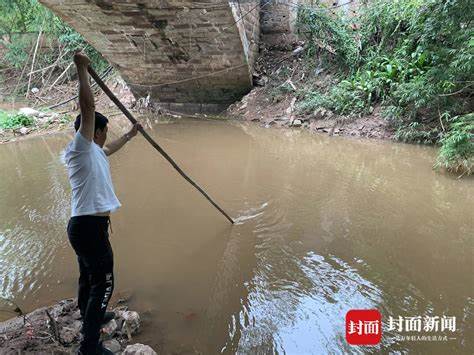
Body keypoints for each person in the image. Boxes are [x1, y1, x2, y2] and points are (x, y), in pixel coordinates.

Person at [64, 52, 141, 355]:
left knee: (88, 276)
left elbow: (110, 148)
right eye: (104, 130)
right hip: (88, 227)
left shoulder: (93, 152)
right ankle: (89, 346)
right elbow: (88, 106)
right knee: (104, 282)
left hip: (86, 226)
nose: (105, 136)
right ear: (94, 131)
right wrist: (82, 68)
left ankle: (88, 315)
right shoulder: (81, 148)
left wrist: (131, 135)